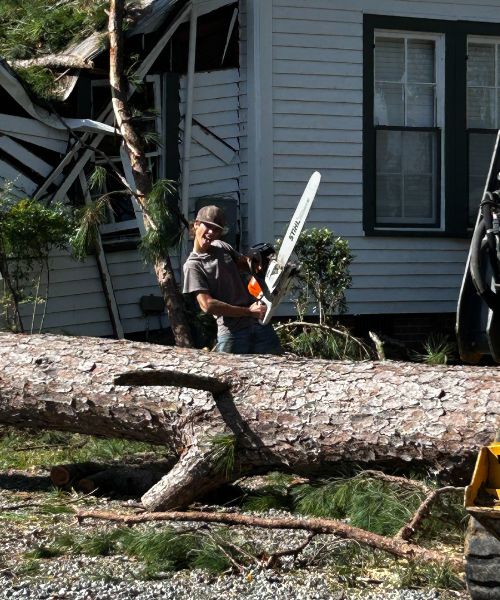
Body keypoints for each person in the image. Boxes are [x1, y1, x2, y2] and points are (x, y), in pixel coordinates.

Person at [183, 205, 282, 355]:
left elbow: (247, 265)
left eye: (216, 229)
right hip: (233, 333)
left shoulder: (221, 246)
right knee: (232, 376)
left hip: (259, 323)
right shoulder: (193, 265)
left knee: (277, 369)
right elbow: (207, 305)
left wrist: (263, 262)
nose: (211, 233)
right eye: (208, 226)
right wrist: (248, 312)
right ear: (196, 224)